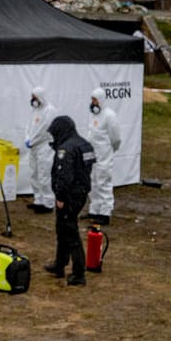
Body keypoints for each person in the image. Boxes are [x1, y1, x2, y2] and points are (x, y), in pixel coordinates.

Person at [42, 115, 95, 286]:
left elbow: (64, 177)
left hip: (69, 195)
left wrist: (61, 198)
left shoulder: (66, 149)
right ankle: (60, 264)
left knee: (70, 231)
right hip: (81, 193)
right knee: (62, 228)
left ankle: (79, 273)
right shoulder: (84, 144)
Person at [84, 88, 124, 225]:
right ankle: (94, 210)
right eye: (92, 99)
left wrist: (111, 151)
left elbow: (116, 138)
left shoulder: (109, 115)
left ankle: (105, 212)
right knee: (92, 182)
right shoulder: (93, 115)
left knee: (103, 183)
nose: (92, 102)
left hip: (104, 157)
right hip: (93, 156)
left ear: (101, 100)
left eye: (95, 100)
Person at [22, 87, 59, 213]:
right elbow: (28, 126)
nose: (33, 100)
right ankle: (38, 200)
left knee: (44, 174)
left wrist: (32, 140)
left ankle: (48, 203)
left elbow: (45, 129)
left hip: (44, 146)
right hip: (34, 146)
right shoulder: (35, 110)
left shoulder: (49, 110)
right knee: (34, 173)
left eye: (35, 97)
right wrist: (27, 138)